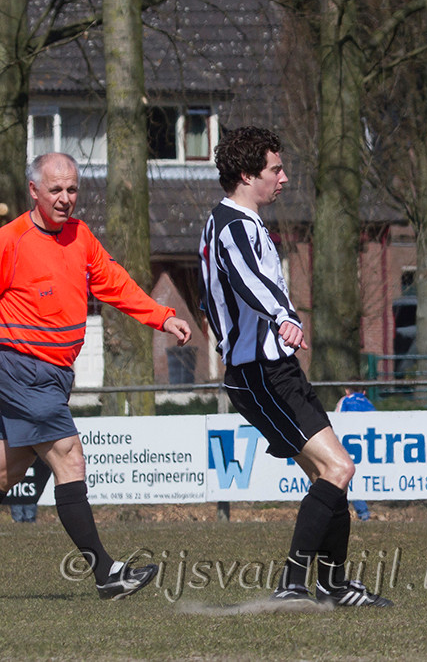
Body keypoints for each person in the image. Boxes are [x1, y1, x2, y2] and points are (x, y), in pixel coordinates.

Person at [199, 127, 391, 607]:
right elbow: (249, 282)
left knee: (330, 475)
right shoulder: (233, 226)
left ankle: (333, 587)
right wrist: (283, 315)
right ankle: (294, 584)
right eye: (275, 169)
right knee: (339, 468)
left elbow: (216, 296)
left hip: (268, 369)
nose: (284, 178)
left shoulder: (232, 224)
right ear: (248, 175)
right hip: (262, 372)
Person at [0, 152, 192, 599]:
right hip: (22, 368)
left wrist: (162, 316)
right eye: (55, 190)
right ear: (33, 191)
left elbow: (115, 282)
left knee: (11, 468)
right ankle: (108, 573)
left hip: (54, 376)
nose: (65, 198)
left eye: (72, 189)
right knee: (69, 456)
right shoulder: (10, 241)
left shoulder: (80, 236)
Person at [336, 388, 373, 521]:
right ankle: (363, 513)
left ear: (347, 390)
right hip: (366, 446)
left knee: (344, 477)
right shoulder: (369, 403)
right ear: (364, 391)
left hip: (347, 445)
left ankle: (342, 511)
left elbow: (337, 420)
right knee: (355, 478)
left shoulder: (345, 401)